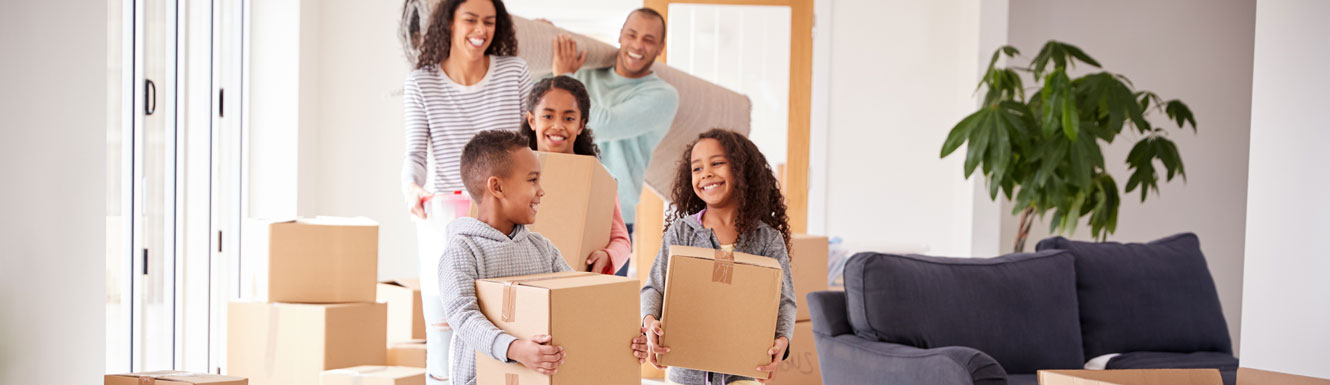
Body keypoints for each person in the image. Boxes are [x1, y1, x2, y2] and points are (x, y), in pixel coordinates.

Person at [439, 130, 651, 385]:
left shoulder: (541, 247)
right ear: (497, 186)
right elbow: (462, 316)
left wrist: (623, 336)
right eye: (532, 180)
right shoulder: (462, 250)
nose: (541, 191)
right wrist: (515, 349)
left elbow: (578, 301)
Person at [399, 0, 529, 383]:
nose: (481, 30)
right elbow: (414, 154)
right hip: (446, 220)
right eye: (470, 19)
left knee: (507, 324)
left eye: (489, 21)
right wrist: (411, 188)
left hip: (504, 219)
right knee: (445, 330)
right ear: (449, 24)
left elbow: (529, 143)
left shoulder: (514, 72)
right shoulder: (421, 82)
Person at [640, 129, 796, 385]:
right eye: (697, 168)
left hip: (744, 372)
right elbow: (654, 287)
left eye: (717, 163)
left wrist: (783, 339)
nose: (706, 174)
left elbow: (785, 301)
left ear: (741, 169)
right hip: (685, 373)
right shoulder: (682, 232)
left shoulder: (766, 239)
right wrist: (649, 322)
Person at [548, 8, 680, 276]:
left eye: (648, 39)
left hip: (613, 219)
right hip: (562, 203)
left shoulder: (662, 95)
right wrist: (545, 34)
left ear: (660, 47)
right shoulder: (585, 73)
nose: (637, 45)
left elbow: (604, 124)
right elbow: (543, 100)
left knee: (600, 310)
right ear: (620, 35)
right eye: (631, 34)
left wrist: (565, 78)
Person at [517, 76, 631, 275]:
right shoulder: (512, 171)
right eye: (548, 116)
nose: (558, 126)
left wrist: (607, 256)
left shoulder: (599, 179)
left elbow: (621, 240)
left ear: (580, 125)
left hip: (575, 283)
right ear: (532, 120)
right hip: (521, 279)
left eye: (568, 118)